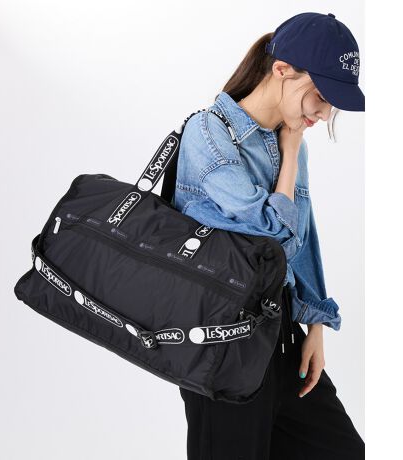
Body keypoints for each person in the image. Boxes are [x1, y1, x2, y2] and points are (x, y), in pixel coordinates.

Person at [172, 12, 365, 460]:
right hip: (223, 345)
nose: (324, 112)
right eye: (321, 95)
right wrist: (291, 154)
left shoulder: (286, 139)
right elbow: (272, 235)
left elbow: (304, 237)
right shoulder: (208, 133)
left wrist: (315, 325)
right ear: (281, 70)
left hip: (282, 340)